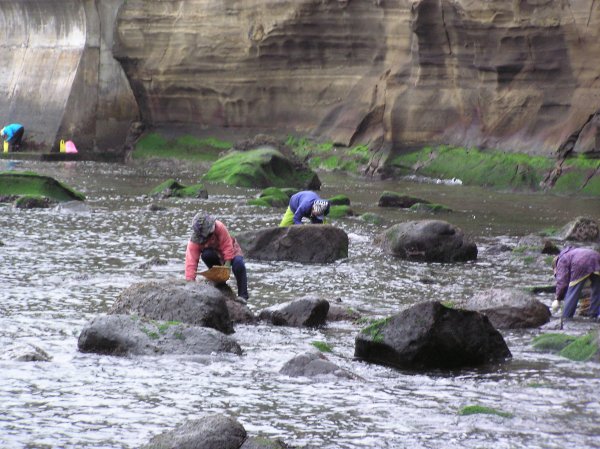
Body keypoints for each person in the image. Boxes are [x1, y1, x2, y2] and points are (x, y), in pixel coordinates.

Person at [185, 213, 249, 303]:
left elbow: (227, 246)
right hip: (215, 255)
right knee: (206, 255)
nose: (213, 227)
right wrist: (190, 282)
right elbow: (191, 262)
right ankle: (220, 282)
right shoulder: (194, 242)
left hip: (231, 250)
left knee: (239, 264)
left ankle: (243, 296)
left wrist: (226, 266)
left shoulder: (219, 226)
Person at [552, 246, 600, 319]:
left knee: (573, 291)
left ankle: (566, 317)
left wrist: (557, 298)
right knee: (597, 290)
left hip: (581, 262)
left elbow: (562, 282)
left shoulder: (561, 260)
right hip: (597, 257)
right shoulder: (572, 252)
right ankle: (594, 315)